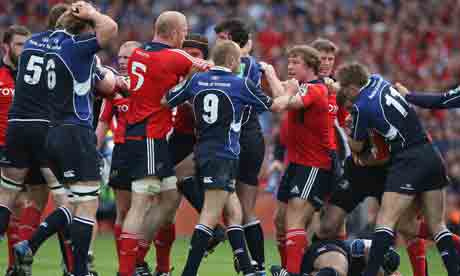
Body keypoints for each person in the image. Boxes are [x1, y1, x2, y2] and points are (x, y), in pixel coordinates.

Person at [161, 40, 286, 276]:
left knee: (234, 210)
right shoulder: (240, 83)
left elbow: (166, 100)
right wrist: (286, 90)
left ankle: (248, 269)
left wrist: (190, 84)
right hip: (224, 155)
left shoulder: (197, 80)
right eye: (238, 59)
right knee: (210, 215)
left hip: (203, 151)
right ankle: (189, 272)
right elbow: (277, 106)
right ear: (231, 60)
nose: (240, 64)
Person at [14, 2, 118, 276]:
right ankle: (80, 270)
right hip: (75, 131)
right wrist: (93, 14)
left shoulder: (47, 45)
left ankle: (30, 246)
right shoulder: (76, 46)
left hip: (53, 133)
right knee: (88, 204)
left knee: (72, 202)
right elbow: (110, 29)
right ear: (83, 28)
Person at [336, 62, 459, 276]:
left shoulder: (361, 107)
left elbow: (356, 146)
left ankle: (370, 273)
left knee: (385, 220)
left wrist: (349, 130)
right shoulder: (378, 79)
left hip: (407, 159)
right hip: (430, 154)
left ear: (352, 87)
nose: (344, 93)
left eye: (344, 89)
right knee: (437, 225)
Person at [116, 11, 209, 276]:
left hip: (143, 134)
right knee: (141, 204)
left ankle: (137, 256)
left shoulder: (139, 53)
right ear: (176, 32)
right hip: (149, 135)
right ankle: (126, 270)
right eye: (184, 32)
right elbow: (205, 68)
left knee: (168, 199)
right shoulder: (174, 56)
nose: (185, 37)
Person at [272, 45, 333, 276]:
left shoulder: (316, 89)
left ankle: (294, 272)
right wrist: (269, 72)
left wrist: (287, 91)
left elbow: (290, 102)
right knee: (279, 220)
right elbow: (283, 100)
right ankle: (291, 268)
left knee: (296, 219)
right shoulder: (302, 87)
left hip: (314, 165)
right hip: (296, 163)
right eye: (289, 61)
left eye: (295, 62)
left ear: (309, 66)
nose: (289, 66)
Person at [214, 20, 268, 274]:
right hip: (249, 136)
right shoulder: (252, 64)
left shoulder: (240, 65)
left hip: (240, 137)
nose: (218, 43)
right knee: (242, 208)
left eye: (222, 38)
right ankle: (255, 263)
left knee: (236, 205)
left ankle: (248, 259)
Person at [272, 238, 400, 276]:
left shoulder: (390, 270)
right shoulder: (366, 247)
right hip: (330, 250)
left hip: (318, 270)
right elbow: (366, 250)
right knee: (339, 270)